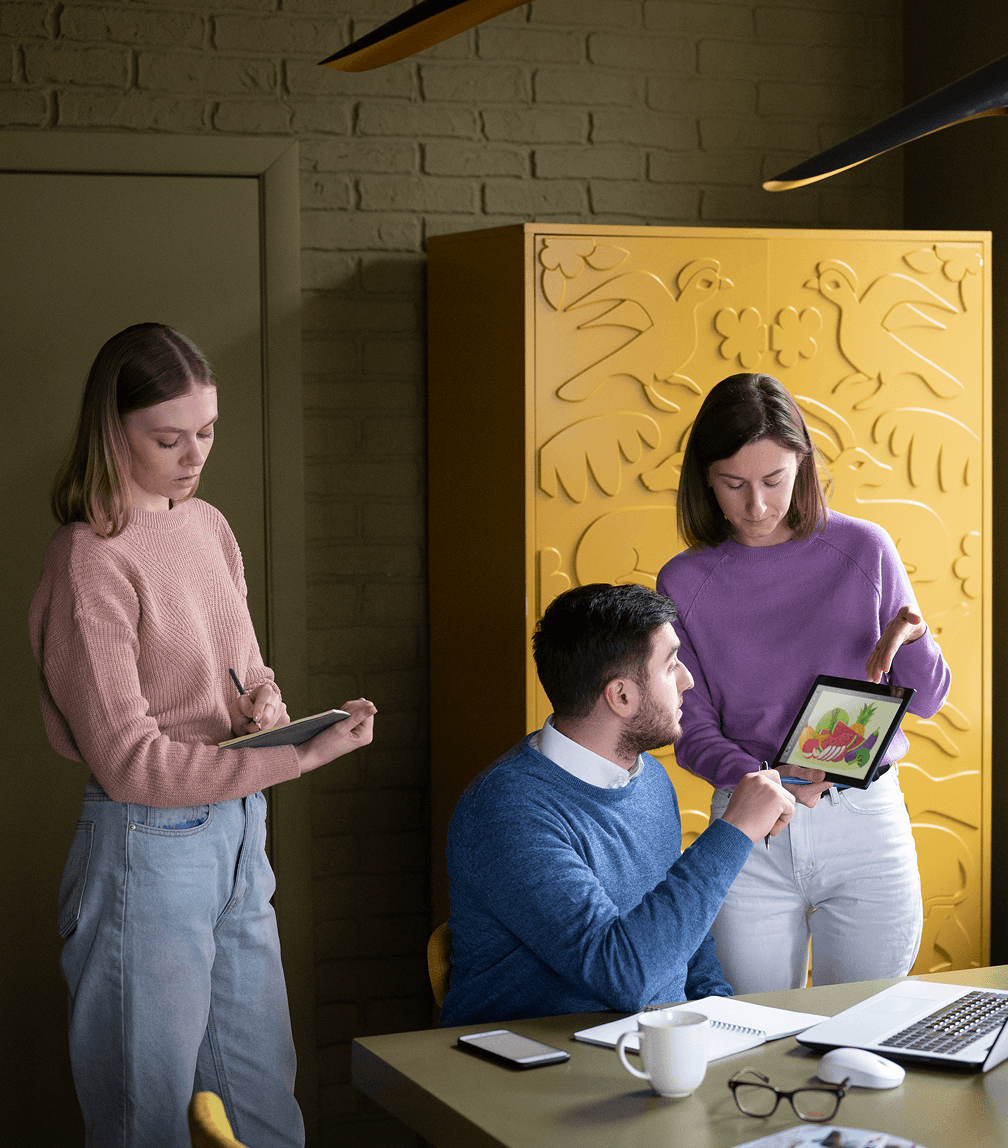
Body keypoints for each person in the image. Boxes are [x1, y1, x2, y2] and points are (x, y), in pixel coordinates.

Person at [29, 323, 377, 1148]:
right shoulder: (90, 560)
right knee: (141, 1125)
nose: (194, 457)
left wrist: (266, 709)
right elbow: (128, 762)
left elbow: (248, 667)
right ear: (113, 434)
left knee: (265, 1114)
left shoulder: (208, 527)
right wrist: (296, 756)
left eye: (208, 432)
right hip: (146, 847)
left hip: (237, 835)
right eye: (168, 438)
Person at [656, 372, 951, 995]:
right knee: (756, 1030)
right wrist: (762, 784)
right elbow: (693, 729)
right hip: (749, 820)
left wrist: (914, 637)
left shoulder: (864, 549)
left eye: (774, 482)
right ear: (704, 479)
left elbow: (927, 698)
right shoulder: (684, 580)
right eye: (733, 484)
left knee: (866, 1026)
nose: (756, 506)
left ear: (804, 467)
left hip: (864, 821)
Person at [439, 582, 795, 1027]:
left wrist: (717, 1016)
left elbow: (683, 929)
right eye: (670, 666)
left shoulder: (648, 778)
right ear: (621, 696)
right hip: (538, 1065)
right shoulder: (508, 811)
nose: (687, 679)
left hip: (651, 1046)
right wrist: (735, 830)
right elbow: (622, 976)